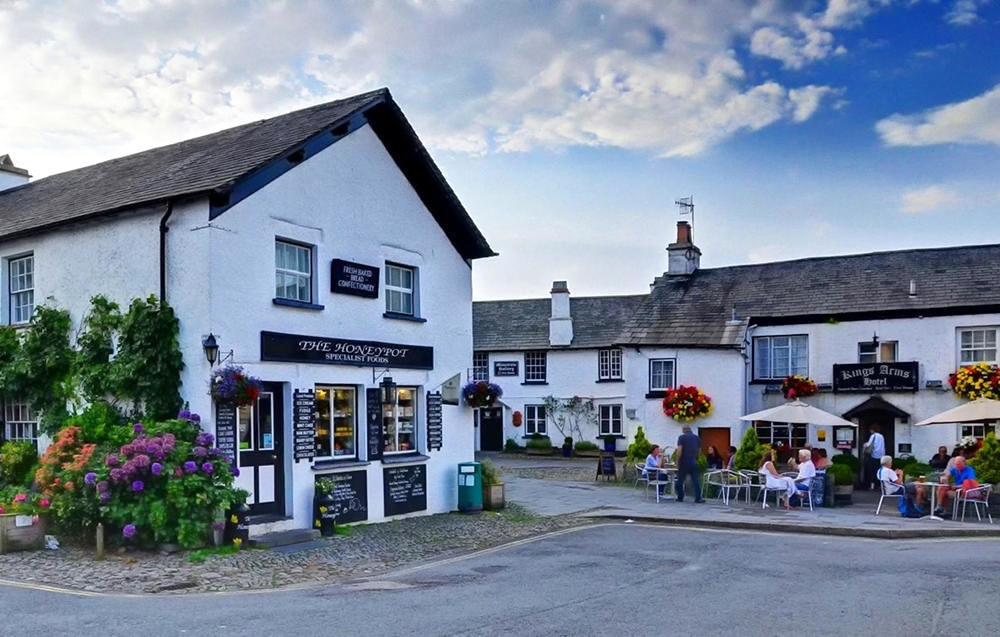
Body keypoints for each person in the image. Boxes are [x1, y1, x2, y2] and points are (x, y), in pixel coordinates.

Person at [675, 425, 704, 503]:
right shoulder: (697, 438)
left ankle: (680, 497)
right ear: (690, 430)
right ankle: (698, 498)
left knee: (680, 480)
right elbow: (699, 451)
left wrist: (677, 461)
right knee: (695, 481)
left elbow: (679, 450)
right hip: (693, 461)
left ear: (684, 430)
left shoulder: (682, 437)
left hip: (684, 461)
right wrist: (696, 458)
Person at [864, 425, 886, 489]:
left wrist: (864, 444)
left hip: (874, 456)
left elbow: (868, 444)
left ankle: (872, 486)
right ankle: (879, 486)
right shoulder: (882, 436)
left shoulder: (873, 436)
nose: (870, 431)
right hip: (881, 456)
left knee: (872, 471)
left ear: (873, 430)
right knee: (880, 471)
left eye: (870, 429)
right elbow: (883, 446)